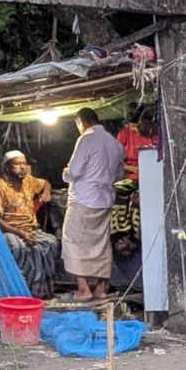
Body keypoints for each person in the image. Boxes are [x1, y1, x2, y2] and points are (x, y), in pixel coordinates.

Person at [62, 108, 124, 302]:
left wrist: (65, 172)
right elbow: (119, 175)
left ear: (81, 122)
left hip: (83, 199)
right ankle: (100, 288)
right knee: (101, 243)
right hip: (104, 201)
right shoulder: (115, 143)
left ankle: (83, 289)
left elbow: (74, 171)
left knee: (72, 241)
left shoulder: (86, 139)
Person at [0, 150, 60, 299]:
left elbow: (45, 183)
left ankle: (41, 292)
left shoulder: (28, 180)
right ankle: (19, 291)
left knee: (51, 242)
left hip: (31, 228)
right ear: (7, 167)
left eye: (24, 163)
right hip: (9, 230)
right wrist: (20, 233)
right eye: (17, 164)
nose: (22, 167)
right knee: (18, 248)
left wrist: (46, 193)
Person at [115, 104, 158, 180]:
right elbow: (116, 161)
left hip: (155, 175)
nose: (137, 130)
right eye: (133, 127)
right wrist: (133, 168)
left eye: (139, 126)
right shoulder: (123, 135)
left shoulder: (158, 133)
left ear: (147, 121)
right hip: (132, 179)